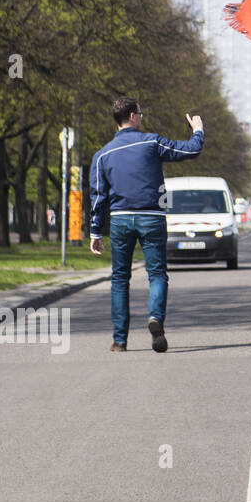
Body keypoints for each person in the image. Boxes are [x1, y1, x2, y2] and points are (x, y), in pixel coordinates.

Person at [89, 97, 205, 353]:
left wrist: (96, 231)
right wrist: (197, 129)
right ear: (131, 116)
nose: (142, 117)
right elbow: (190, 150)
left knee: (120, 279)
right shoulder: (152, 142)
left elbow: (98, 197)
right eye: (140, 113)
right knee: (157, 274)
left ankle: (120, 341)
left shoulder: (102, 156)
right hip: (152, 217)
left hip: (119, 220)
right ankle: (155, 318)